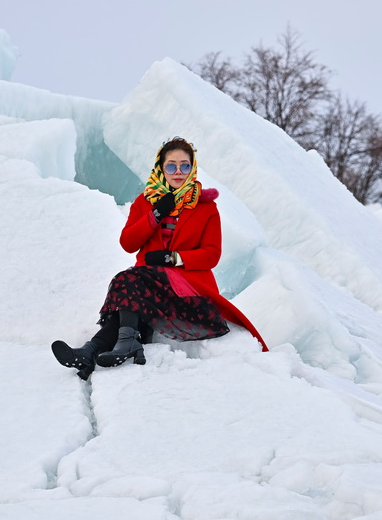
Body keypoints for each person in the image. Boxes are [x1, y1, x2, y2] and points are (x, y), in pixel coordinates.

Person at [51, 136, 268, 379]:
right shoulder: (145, 202)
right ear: (160, 168)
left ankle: (109, 347)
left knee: (128, 280)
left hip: (187, 289)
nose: (178, 172)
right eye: (171, 165)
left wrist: (172, 258)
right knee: (131, 296)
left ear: (192, 168)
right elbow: (128, 243)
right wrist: (155, 214)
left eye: (185, 166)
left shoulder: (206, 207)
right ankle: (93, 352)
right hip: (148, 286)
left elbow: (212, 254)